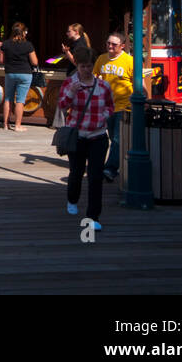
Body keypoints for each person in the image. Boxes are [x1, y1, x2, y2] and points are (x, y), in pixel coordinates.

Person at [58, 46, 115, 230]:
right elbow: (61, 105)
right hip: (78, 135)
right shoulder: (70, 83)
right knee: (76, 172)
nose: (86, 70)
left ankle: (93, 217)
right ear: (78, 66)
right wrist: (72, 92)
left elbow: (110, 106)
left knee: (95, 176)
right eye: (83, 66)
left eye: (89, 66)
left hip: (98, 136)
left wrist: (104, 116)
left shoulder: (103, 85)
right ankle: (72, 199)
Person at [93, 32, 134, 182]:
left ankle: (110, 169)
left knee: (117, 139)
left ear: (122, 46)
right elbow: (95, 76)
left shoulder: (129, 61)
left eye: (114, 44)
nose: (110, 46)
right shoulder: (102, 59)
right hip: (106, 106)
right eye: (108, 43)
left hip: (124, 105)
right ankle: (116, 162)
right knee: (111, 138)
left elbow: (138, 83)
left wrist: (144, 99)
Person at [0, 22, 38, 131]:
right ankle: (17, 125)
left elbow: (1, 60)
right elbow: (34, 62)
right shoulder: (28, 45)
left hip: (10, 73)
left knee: (8, 98)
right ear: (24, 32)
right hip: (25, 73)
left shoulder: (5, 44)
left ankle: (5, 125)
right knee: (20, 100)